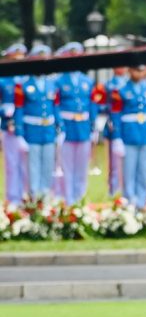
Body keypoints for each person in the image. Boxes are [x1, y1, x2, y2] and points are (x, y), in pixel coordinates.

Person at [54, 42, 105, 204]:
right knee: (67, 167)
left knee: (82, 167)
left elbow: (92, 104)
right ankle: (68, 199)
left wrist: (93, 124)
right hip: (67, 127)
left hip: (83, 127)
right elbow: (55, 104)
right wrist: (59, 124)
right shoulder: (59, 81)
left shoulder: (86, 80)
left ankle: (80, 198)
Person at [14, 44, 59, 198]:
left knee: (48, 165)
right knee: (33, 166)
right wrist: (19, 133)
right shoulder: (24, 84)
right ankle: (34, 195)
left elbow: (55, 107)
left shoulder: (52, 84)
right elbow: (19, 109)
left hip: (48, 130)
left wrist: (61, 127)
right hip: (32, 130)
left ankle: (46, 195)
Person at [110, 65, 146, 208]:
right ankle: (129, 201)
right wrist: (117, 137)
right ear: (130, 71)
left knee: (144, 171)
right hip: (128, 136)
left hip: (145, 135)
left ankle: (141, 203)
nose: (139, 73)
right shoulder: (121, 89)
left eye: (141, 70)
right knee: (128, 172)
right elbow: (115, 114)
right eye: (136, 70)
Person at [1, 43, 28, 205]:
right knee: (12, 164)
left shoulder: (27, 79)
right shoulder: (3, 79)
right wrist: (4, 110)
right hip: (9, 126)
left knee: (27, 164)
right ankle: (12, 197)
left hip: (28, 127)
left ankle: (26, 195)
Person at [104, 67, 129, 196]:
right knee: (114, 162)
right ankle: (113, 189)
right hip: (115, 125)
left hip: (130, 126)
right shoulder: (110, 84)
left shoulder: (129, 82)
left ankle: (125, 189)